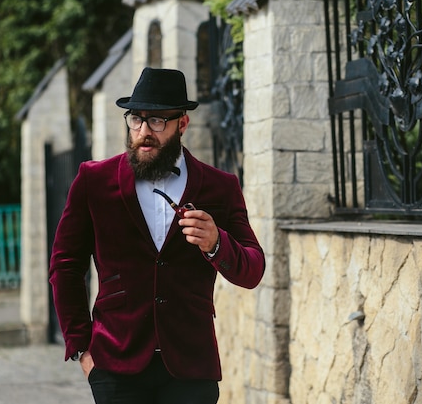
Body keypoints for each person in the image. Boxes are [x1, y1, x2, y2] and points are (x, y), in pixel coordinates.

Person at [49, 68, 265, 404]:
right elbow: (65, 265)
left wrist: (217, 243)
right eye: (136, 119)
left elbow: (253, 269)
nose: (144, 131)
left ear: (182, 124)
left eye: (157, 121)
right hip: (115, 364)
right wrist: (81, 349)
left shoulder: (220, 187)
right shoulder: (93, 180)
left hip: (191, 368)